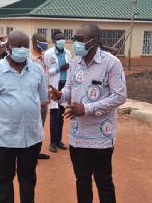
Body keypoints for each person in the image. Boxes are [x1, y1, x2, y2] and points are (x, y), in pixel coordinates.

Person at [48, 23, 127, 203]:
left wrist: (87, 108)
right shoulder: (75, 62)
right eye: (75, 39)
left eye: (80, 39)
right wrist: (60, 95)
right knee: (82, 180)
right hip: (77, 135)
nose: (76, 42)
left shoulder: (111, 63)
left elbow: (120, 96)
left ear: (94, 41)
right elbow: (69, 89)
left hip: (101, 137)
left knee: (103, 182)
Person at [0, 30, 47, 203]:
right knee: (3, 179)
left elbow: (41, 98)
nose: (22, 49)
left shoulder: (36, 69)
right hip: (4, 137)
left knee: (28, 178)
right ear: (8, 47)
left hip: (31, 136)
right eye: (17, 45)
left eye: (25, 45)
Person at [44, 30, 72, 152]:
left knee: (61, 115)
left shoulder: (68, 53)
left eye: (63, 38)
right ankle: (53, 142)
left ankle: (59, 140)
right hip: (55, 86)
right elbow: (46, 71)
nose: (62, 41)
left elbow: (70, 70)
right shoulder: (49, 54)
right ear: (54, 41)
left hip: (64, 85)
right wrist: (59, 68)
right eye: (59, 38)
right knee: (54, 115)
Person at [29, 32, 50, 160]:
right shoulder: (30, 59)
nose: (46, 43)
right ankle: (31, 154)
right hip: (35, 100)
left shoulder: (42, 57)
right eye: (44, 41)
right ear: (37, 42)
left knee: (40, 128)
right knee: (33, 127)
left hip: (45, 99)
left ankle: (37, 152)